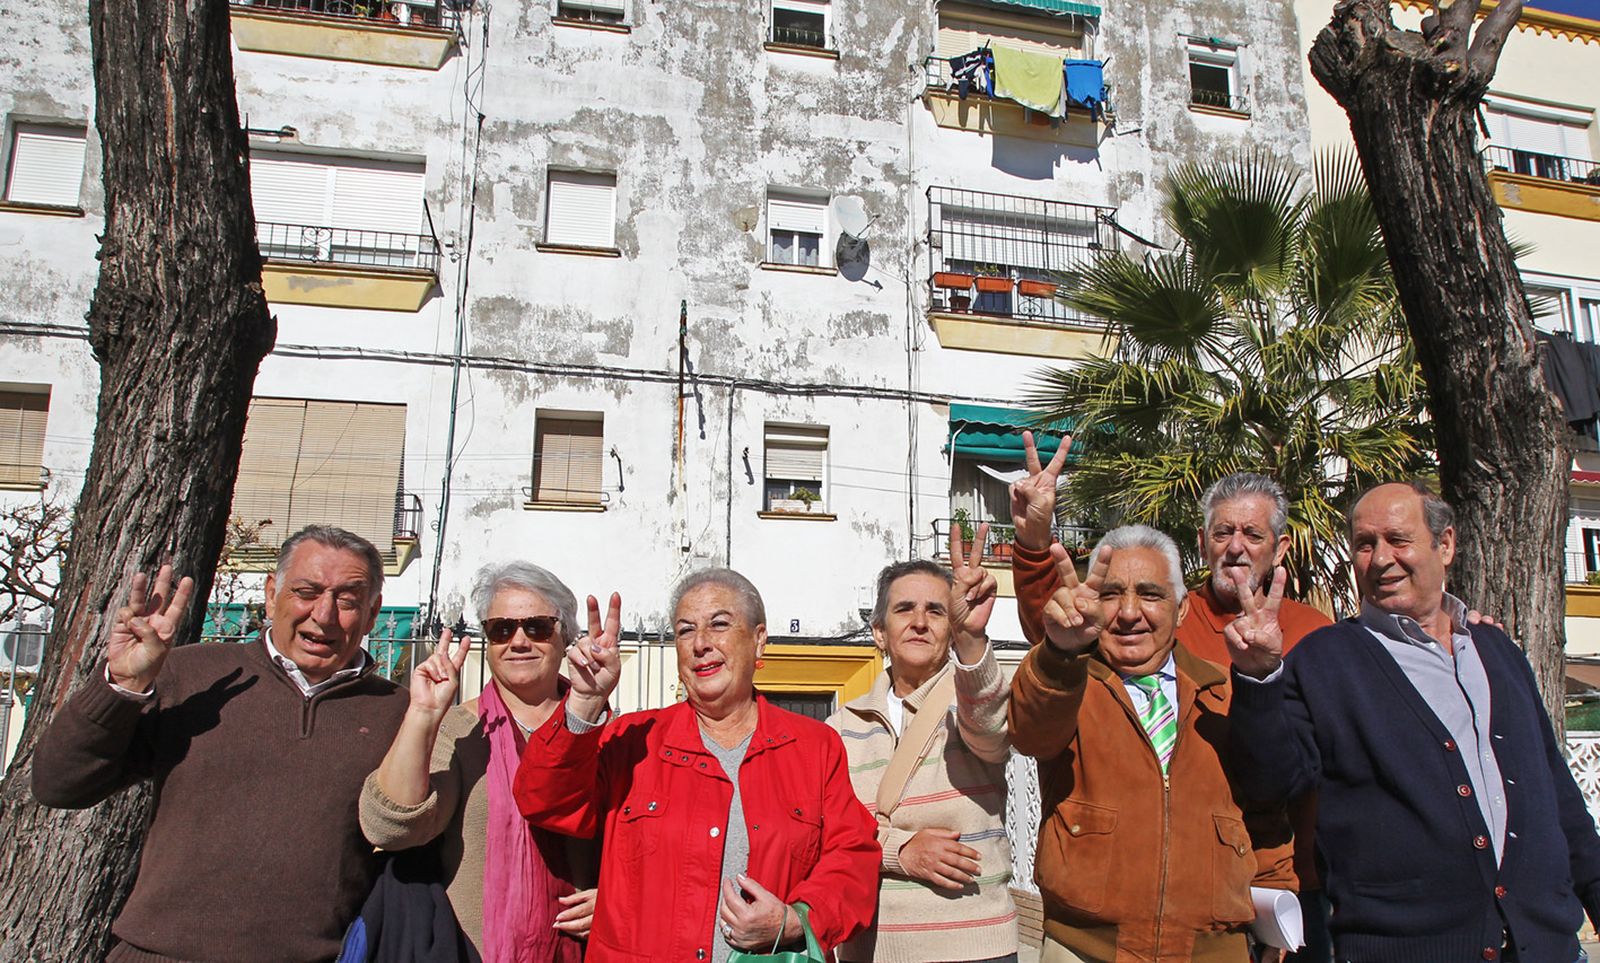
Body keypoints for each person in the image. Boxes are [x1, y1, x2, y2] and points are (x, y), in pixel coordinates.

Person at [1228, 481, 1600, 963]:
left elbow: (1557, 794)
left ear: (1445, 545)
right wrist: (1259, 677)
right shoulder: (1323, 662)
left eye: (1398, 540)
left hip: (1546, 947)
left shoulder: (1497, 651)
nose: (1381, 559)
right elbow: (1268, 783)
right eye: (1365, 544)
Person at [31, 525, 409, 962]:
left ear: (372, 613)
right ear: (272, 594)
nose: (323, 615)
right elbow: (59, 785)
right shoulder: (191, 676)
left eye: (347, 601)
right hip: (159, 955)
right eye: (306, 592)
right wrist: (121, 686)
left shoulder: (399, 713)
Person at [513, 568, 880, 963]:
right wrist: (585, 702)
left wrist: (796, 920)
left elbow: (854, 858)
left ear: (758, 641)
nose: (701, 643)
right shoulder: (633, 742)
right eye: (685, 631)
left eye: (719, 624)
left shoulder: (813, 747)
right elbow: (545, 802)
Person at [1009, 514, 1295, 962]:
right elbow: (1031, 734)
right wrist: (1060, 652)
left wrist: (1277, 901)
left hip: (1212, 950)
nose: (1128, 613)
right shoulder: (1069, 683)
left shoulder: (1225, 691)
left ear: (1181, 609)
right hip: (1085, 947)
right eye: (1110, 595)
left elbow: (1266, 807)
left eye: (1149, 594)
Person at [360, 561, 599, 960]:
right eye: (501, 629)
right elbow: (390, 829)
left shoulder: (601, 730)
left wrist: (615, 897)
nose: (518, 641)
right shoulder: (459, 729)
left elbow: (644, 848)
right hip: (472, 950)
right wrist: (423, 714)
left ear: (565, 637)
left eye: (537, 627)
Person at [827, 526, 1016, 963]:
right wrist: (901, 851)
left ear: (951, 629)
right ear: (879, 632)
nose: (919, 622)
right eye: (904, 609)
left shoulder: (972, 700)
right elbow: (829, 832)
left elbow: (992, 729)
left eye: (935, 611)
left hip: (978, 948)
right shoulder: (840, 727)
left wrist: (973, 641)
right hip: (871, 950)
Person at [1187, 472, 1332, 963]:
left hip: (1298, 884)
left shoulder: (1316, 633)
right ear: (1202, 542)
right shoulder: (1167, 624)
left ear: (1280, 547)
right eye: (1223, 532)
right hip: (1196, 879)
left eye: (1252, 534)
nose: (1236, 547)